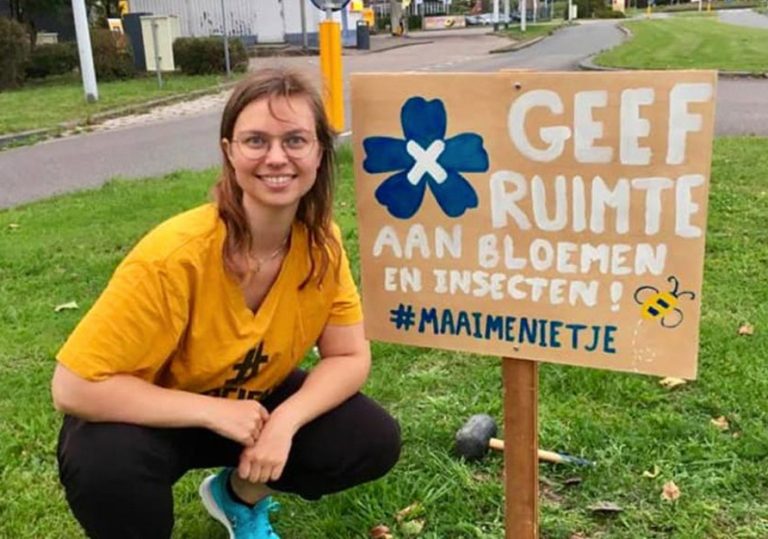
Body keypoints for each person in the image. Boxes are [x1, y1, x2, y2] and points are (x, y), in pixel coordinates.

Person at [51, 68, 401, 539]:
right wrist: (210, 411)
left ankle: (237, 497)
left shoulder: (322, 245)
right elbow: (72, 388)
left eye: (295, 140)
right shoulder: (174, 255)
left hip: (251, 406)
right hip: (152, 414)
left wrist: (285, 422)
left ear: (320, 151)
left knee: (369, 437)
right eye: (256, 140)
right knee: (105, 465)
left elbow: (350, 356)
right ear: (229, 151)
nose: (276, 157)